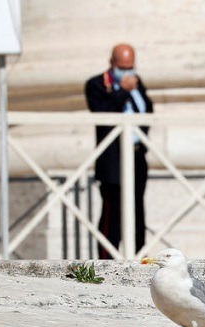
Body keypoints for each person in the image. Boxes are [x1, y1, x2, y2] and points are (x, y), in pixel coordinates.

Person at [85, 43, 154, 259]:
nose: (128, 71)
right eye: (123, 67)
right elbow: (102, 112)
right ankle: (106, 262)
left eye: (131, 66)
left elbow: (147, 110)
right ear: (112, 63)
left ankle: (138, 257)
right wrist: (123, 91)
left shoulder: (137, 83)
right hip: (113, 159)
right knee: (112, 215)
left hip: (136, 157)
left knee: (137, 213)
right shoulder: (97, 84)